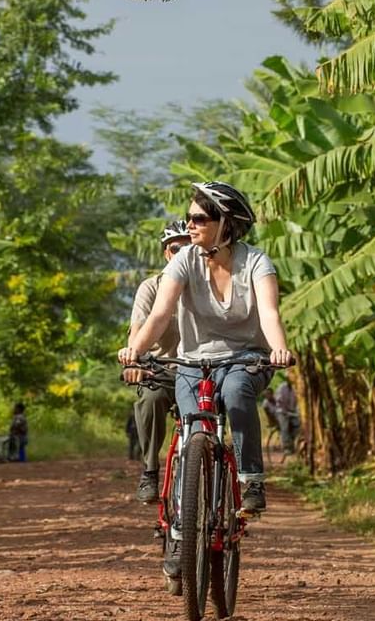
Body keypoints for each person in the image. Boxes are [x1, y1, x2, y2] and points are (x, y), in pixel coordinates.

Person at [119, 182, 295, 521]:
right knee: (191, 430)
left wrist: (279, 349)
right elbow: (159, 314)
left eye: (199, 218)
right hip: (192, 362)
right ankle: (182, 517)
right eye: (189, 217)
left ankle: (252, 480)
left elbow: (269, 314)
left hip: (245, 359)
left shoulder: (256, 262)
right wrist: (135, 351)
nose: (190, 224)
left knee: (236, 392)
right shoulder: (184, 260)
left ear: (225, 223)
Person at [126, 218, 190, 503]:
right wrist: (134, 361)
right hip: (161, 370)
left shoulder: (209, 285)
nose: (183, 254)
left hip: (201, 370)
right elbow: (138, 329)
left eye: (190, 248)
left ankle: (231, 475)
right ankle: (150, 470)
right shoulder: (151, 288)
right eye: (177, 249)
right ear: (167, 253)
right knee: (150, 400)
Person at [267, 379, 300, 460]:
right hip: (281, 411)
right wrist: (285, 411)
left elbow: (297, 402)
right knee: (284, 427)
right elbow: (279, 402)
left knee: (297, 425)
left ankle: (292, 443)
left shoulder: (296, 388)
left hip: (292, 412)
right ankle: (287, 448)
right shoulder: (282, 387)